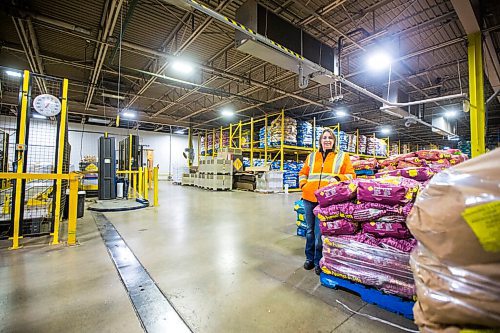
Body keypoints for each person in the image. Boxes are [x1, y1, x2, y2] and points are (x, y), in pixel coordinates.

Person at [298, 128, 356, 275]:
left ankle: (318, 260)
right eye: (324, 137)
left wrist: (337, 178)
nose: (327, 140)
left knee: (320, 233)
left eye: (330, 137)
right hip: (308, 198)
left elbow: (351, 175)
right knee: (310, 231)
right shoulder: (312, 156)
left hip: (326, 200)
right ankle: (309, 258)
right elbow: (303, 173)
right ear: (320, 140)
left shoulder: (342, 156)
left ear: (334, 140)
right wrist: (303, 186)